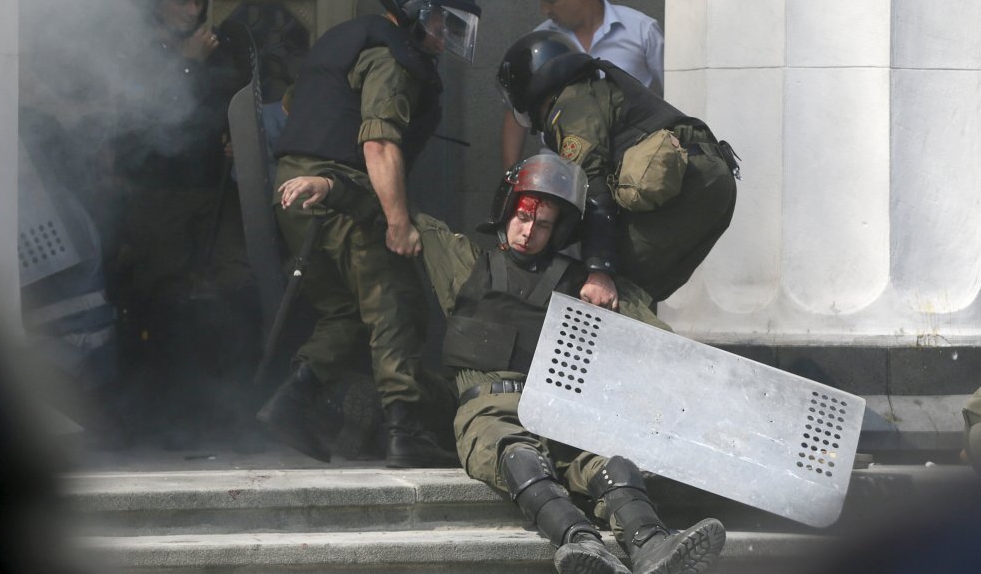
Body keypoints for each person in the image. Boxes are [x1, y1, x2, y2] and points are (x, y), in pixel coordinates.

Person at [279, 154, 726, 574]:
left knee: (614, 465)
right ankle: (581, 542)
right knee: (520, 458)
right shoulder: (467, 264)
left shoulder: (580, 285)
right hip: (490, 410)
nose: (529, 232)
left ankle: (653, 545)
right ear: (508, 210)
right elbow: (396, 212)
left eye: (544, 225)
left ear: (559, 232)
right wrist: (331, 186)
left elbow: (665, 347)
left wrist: (606, 286)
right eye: (524, 216)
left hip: (561, 410)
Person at [258, 0, 482, 468]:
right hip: (342, 195)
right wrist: (398, 222)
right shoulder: (392, 57)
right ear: (416, 12)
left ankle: (292, 402)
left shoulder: (346, 38)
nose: (446, 36)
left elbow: (299, 107)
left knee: (345, 312)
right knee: (392, 305)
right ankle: (407, 431)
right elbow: (379, 142)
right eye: (442, 22)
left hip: (293, 189)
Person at [112, 0, 259, 448]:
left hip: (214, 187)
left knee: (232, 287)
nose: (193, 11)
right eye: (183, 1)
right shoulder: (136, 49)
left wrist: (238, 139)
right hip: (159, 193)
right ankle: (165, 419)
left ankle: (224, 412)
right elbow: (147, 116)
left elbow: (231, 103)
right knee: (167, 298)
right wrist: (188, 61)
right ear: (158, 1)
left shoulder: (218, 47)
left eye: (199, 2)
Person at [496, 30, 738, 310]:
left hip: (689, 188)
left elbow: (594, 189)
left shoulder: (571, 107)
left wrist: (600, 269)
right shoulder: (597, 90)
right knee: (637, 294)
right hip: (711, 179)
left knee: (609, 290)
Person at [501, 0, 664, 170]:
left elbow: (679, 89)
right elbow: (515, 113)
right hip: (558, 170)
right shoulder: (540, 44)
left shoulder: (642, 31)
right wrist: (511, 177)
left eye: (551, 1)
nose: (545, 10)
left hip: (629, 168)